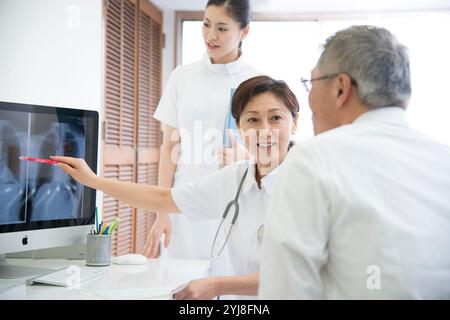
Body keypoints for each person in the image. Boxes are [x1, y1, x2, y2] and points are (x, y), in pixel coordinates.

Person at [52, 75, 299, 299]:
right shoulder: (235, 179)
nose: (264, 131)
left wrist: (216, 286)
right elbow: (162, 198)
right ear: (239, 127)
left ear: (295, 123)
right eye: (253, 120)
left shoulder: (308, 185)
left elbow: (292, 276)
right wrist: (93, 181)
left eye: (275, 118)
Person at [258, 25, 450, 299]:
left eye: (311, 83)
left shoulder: (313, 159)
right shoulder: (444, 160)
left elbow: (285, 291)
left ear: (341, 88)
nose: (308, 99)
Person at [148, 0, 259, 276]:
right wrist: (162, 211)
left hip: (237, 202)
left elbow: (271, 151)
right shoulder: (182, 78)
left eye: (222, 28)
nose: (211, 36)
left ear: (244, 32)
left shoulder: (256, 81)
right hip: (185, 203)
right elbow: (170, 147)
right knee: (183, 285)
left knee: (232, 287)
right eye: (206, 24)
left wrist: (246, 157)